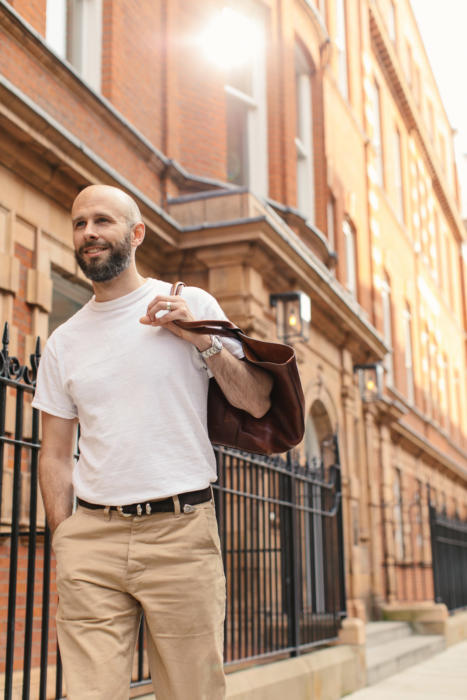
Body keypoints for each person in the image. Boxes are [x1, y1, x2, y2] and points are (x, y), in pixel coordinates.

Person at [32, 184, 273, 700]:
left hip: (181, 533)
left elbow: (255, 401)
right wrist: (65, 540)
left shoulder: (191, 303)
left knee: (192, 692)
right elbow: (54, 453)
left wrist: (202, 339)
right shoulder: (64, 342)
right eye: (79, 223)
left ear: (136, 234)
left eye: (103, 221)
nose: (89, 232)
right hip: (92, 537)